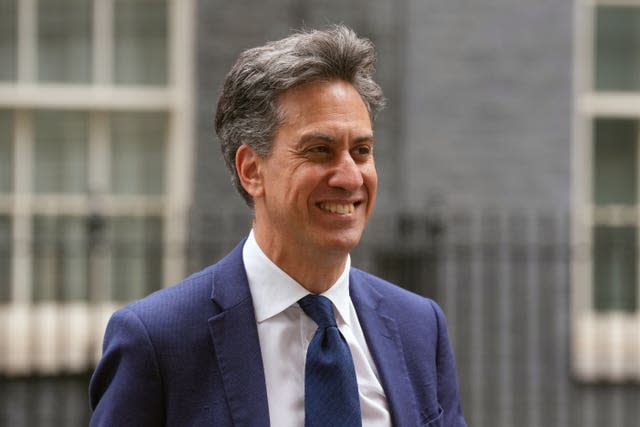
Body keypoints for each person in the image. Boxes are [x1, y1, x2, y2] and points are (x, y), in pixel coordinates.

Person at [89, 25, 466, 427]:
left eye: (361, 151)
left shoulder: (419, 327)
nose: (350, 176)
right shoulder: (158, 341)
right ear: (251, 169)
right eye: (320, 150)